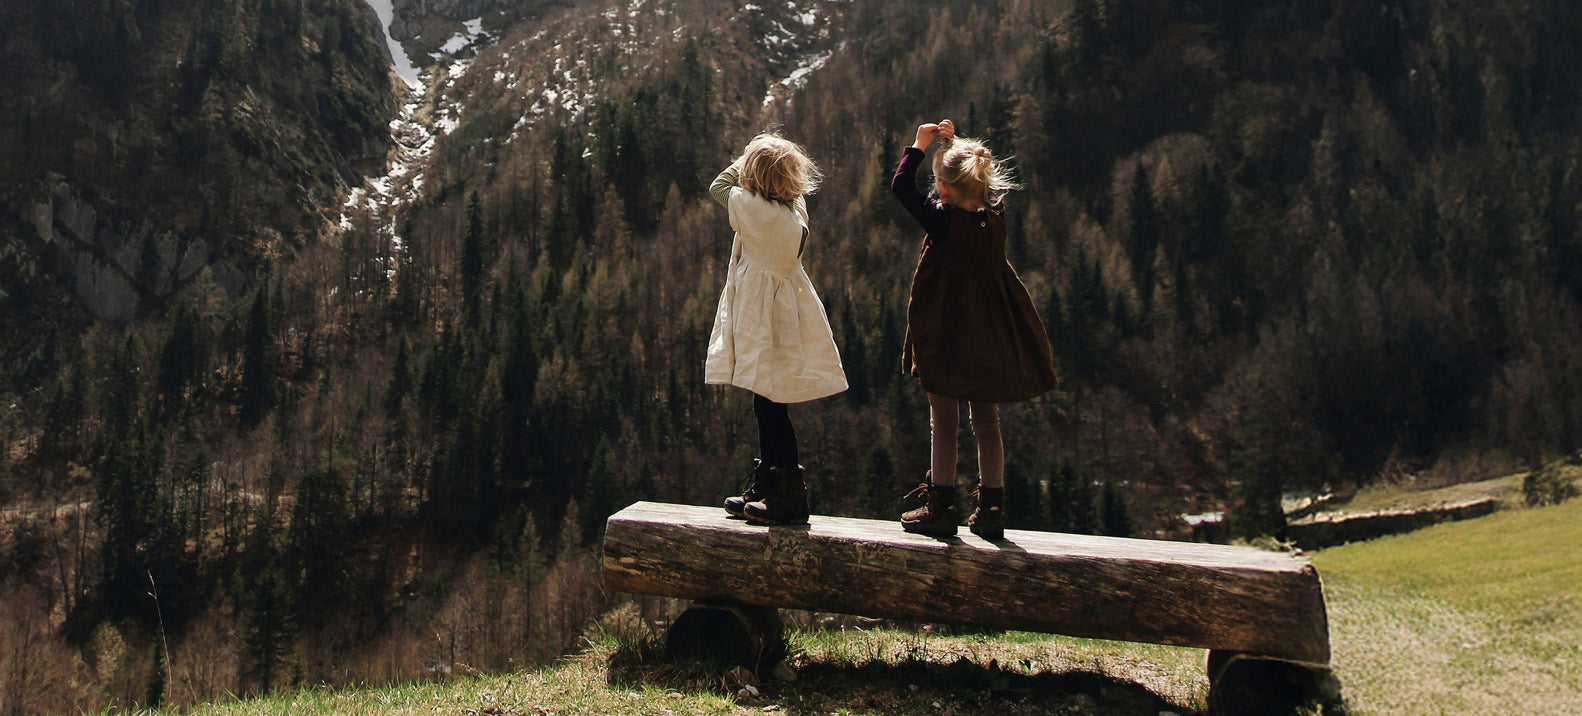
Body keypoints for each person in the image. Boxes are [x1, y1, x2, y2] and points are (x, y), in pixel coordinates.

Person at [891, 119, 1057, 540]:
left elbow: (901, 187)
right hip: (991, 333)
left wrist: (919, 146)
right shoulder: (994, 215)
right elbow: (969, 174)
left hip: (947, 334)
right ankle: (992, 509)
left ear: (944, 190)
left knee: (943, 419)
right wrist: (952, 143)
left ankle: (941, 505)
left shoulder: (942, 221)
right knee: (987, 419)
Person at [707, 133, 847, 525]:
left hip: (762, 315)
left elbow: (718, 185)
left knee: (769, 405)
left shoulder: (755, 210)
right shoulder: (794, 212)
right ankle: (772, 482)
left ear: (755, 178)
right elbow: (784, 187)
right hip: (785, 312)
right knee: (769, 400)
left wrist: (746, 158)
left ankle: (786, 490)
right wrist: (765, 160)